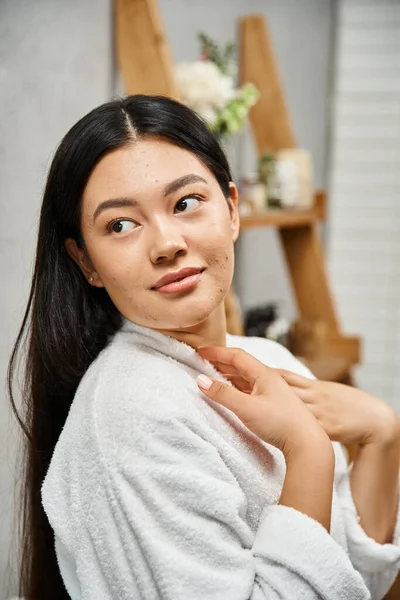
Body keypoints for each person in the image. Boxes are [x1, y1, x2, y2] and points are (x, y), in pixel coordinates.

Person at [7, 94, 400, 600]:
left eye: (186, 203)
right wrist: (307, 451)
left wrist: (384, 438)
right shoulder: (133, 410)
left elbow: (348, 580)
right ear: (86, 262)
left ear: (232, 211)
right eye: (121, 224)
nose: (167, 243)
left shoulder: (270, 361)